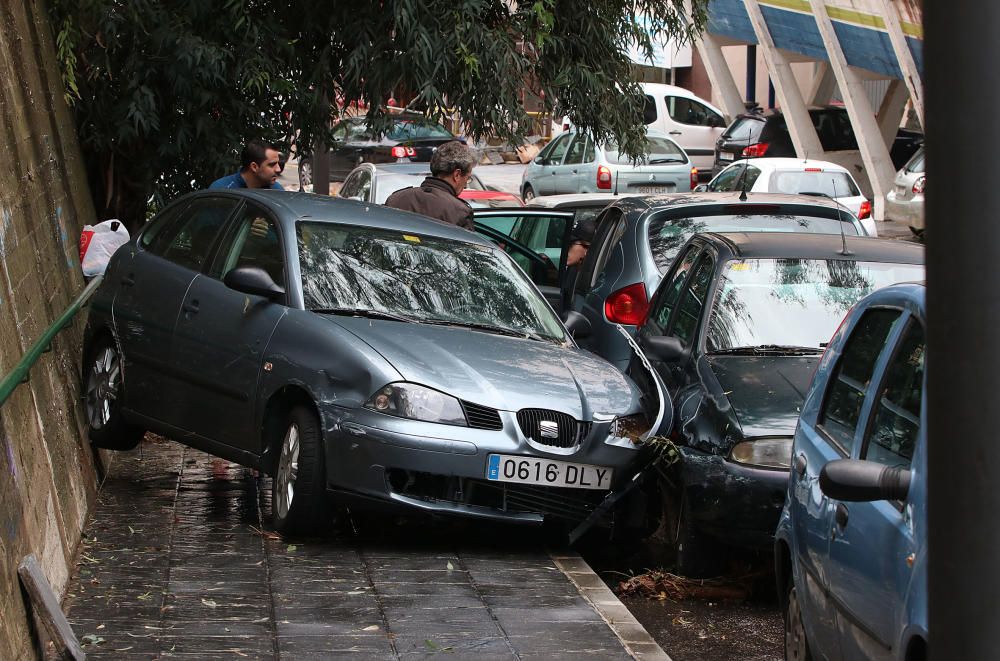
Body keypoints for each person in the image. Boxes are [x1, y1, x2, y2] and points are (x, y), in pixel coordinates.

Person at [384, 140, 476, 229]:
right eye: (468, 178)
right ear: (457, 175)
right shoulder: (460, 212)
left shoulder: (395, 199)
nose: (465, 186)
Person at [210, 141, 285, 190]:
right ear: (254, 167)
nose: (278, 169)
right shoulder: (223, 190)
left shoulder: (276, 189)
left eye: (278, 163)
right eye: (272, 164)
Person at [560, 217, 596, 310]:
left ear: (587, 249)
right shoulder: (572, 268)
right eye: (567, 243)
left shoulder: (588, 278)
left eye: (572, 244)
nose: (567, 249)